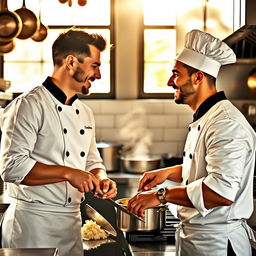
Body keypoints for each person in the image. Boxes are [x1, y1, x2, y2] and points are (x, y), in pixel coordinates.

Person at [127, 29, 256, 256]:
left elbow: (220, 192)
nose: (169, 81)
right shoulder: (207, 117)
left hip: (217, 244)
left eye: (176, 74)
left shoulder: (226, 124)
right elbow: (206, 170)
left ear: (198, 77)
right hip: (197, 239)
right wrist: (168, 173)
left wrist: (160, 196)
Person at [0, 29, 117, 256]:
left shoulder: (85, 112)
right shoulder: (29, 105)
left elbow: (92, 161)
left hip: (71, 224)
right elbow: (11, 167)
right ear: (71, 62)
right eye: (95, 65)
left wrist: (101, 178)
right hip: (32, 226)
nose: (99, 75)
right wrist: (69, 173)